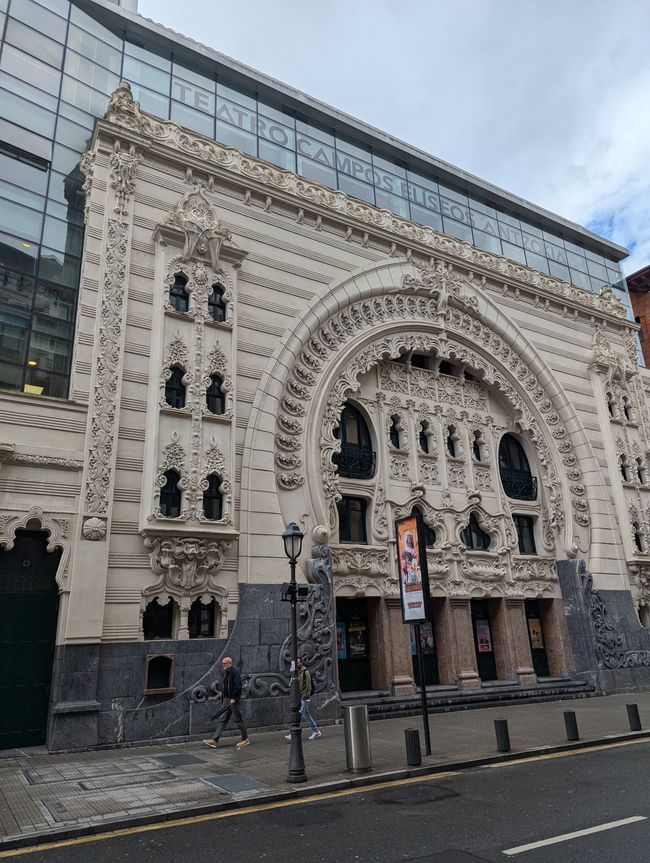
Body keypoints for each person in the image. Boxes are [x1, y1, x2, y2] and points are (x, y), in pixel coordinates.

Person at [203, 656, 250, 750]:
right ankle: (215, 740)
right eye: (223, 663)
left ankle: (245, 739)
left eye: (224, 663)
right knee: (223, 719)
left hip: (233, 700)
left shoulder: (235, 673)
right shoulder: (227, 673)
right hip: (227, 699)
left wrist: (233, 698)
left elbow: (238, 687)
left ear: (229, 663)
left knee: (239, 719)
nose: (223, 665)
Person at [285, 657, 321, 741]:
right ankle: (316, 731)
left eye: (298, 663)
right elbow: (291, 684)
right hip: (300, 697)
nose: (297, 664)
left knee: (299, 714)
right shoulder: (297, 672)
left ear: (301, 663)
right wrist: (292, 672)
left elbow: (308, 686)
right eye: (296, 663)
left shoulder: (306, 672)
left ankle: (292, 734)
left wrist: (305, 696)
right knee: (306, 715)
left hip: (304, 698)